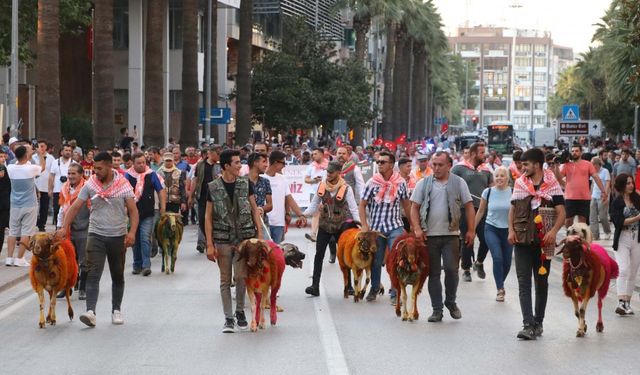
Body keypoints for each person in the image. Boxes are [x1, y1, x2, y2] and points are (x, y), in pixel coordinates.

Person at [57, 151, 139, 327]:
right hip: (95, 234)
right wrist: (64, 227)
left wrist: (131, 233)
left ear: (110, 166)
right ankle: (90, 312)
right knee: (93, 272)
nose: (96, 172)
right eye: (94, 168)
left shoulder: (123, 184)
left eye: (100, 168)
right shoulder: (91, 184)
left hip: (117, 236)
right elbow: (75, 207)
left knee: (117, 275)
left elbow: (133, 210)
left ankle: (116, 310)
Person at [204, 149, 264, 333]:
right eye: (237, 163)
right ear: (226, 166)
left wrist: (259, 236)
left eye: (240, 162)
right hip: (222, 239)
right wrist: (209, 244)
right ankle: (228, 318)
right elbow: (207, 216)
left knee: (240, 276)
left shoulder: (246, 184)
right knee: (224, 279)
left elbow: (255, 210)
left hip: (244, 239)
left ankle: (240, 311)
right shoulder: (213, 187)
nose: (240, 166)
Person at [410, 151, 474, 322]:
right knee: (434, 273)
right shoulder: (423, 184)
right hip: (429, 237)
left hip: (451, 235)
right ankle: (437, 310)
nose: (436, 168)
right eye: (434, 164)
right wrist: (417, 228)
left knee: (452, 270)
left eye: (440, 165)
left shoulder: (459, 183)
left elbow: (469, 206)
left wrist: (471, 230)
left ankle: (451, 301)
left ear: (449, 166)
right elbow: (414, 207)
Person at [509, 148, 565, 340]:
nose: (522, 168)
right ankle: (528, 324)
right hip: (523, 239)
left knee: (541, 283)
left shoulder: (552, 184)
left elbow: (562, 212)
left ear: (537, 165)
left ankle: (538, 322)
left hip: (543, 241)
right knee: (523, 283)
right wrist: (510, 230)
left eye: (526, 164)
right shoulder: (519, 183)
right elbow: (513, 209)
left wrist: (553, 231)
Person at [360, 151, 411, 304]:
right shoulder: (372, 182)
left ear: (391, 165)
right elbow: (362, 205)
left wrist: (415, 227)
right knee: (376, 260)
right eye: (378, 162)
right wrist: (364, 225)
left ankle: (395, 291)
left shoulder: (400, 183)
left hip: (395, 227)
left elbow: (406, 206)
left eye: (383, 162)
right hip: (376, 230)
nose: (379, 164)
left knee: (395, 260)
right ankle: (375, 287)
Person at [303, 160, 359, 296]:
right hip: (324, 225)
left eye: (331, 172)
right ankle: (315, 286)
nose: (328, 174)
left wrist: (358, 224)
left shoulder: (346, 188)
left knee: (345, 256)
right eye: (327, 171)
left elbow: (353, 207)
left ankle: (349, 285)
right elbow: (314, 205)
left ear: (339, 173)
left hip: (341, 226)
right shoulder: (322, 186)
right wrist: (302, 215)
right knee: (319, 255)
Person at [451, 142, 493, 282]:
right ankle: (466, 269)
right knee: (467, 239)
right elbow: (450, 186)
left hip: (483, 209)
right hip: (465, 209)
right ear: (474, 153)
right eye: (482, 152)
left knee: (486, 239)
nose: (484, 155)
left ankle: (479, 262)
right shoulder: (459, 169)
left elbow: (492, 188)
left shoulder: (487, 170)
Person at [474, 166, 512, 302]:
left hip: (508, 230)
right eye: (497, 176)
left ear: (507, 178)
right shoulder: (488, 192)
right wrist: (472, 229)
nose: (499, 178)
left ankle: (500, 281)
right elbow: (480, 211)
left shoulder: (513, 192)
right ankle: (500, 289)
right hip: (491, 228)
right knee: (497, 258)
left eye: (502, 175)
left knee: (507, 262)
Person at [125, 152, 166, 276]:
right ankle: (137, 264)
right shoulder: (127, 176)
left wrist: (163, 208)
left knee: (145, 238)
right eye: (139, 163)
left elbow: (161, 190)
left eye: (143, 162)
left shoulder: (152, 175)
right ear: (133, 163)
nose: (142, 165)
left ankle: (146, 265)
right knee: (134, 239)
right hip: (132, 214)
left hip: (148, 213)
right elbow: (122, 194)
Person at [5, 145, 46, 266]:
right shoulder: (31, 168)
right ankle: (20, 259)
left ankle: (9, 258)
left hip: (15, 204)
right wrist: (40, 154)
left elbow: (20, 163)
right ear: (26, 155)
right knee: (26, 232)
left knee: (13, 232)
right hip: (29, 204)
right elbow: (42, 168)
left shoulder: (11, 167)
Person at [56, 163, 90, 300]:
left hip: (84, 228)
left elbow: (93, 209)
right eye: (69, 173)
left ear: (81, 174)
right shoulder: (64, 189)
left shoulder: (88, 188)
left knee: (84, 260)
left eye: (73, 173)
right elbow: (61, 210)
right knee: (68, 260)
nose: (70, 176)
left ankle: (83, 288)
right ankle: (67, 287)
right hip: (68, 229)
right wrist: (60, 227)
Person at [609, 173, 640, 315]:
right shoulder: (617, 202)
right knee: (624, 269)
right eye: (628, 183)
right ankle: (620, 302)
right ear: (621, 185)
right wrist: (637, 218)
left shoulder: (637, 199)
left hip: (637, 239)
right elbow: (618, 222)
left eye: (631, 183)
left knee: (633, 272)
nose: (631, 185)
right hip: (622, 238)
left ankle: (627, 302)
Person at [555, 145, 606, 227]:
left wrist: (603, 191)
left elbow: (596, 177)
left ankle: (580, 239)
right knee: (568, 221)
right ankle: (569, 238)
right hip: (570, 198)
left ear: (581, 152)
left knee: (582, 222)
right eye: (573, 151)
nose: (574, 153)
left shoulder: (588, 164)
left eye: (576, 151)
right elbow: (558, 178)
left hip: (584, 197)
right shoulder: (566, 165)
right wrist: (557, 166)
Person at [264, 151, 307, 244]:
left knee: (276, 253)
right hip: (264, 223)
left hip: (278, 223)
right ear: (275, 163)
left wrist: (300, 214)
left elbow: (289, 199)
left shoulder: (282, 178)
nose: (284, 166)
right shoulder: (261, 178)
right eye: (283, 163)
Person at [190, 145, 221, 253]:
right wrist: (191, 195)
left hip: (216, 198)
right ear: (211, 153)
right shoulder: (200, 165)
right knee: (202, 220)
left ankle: (213, 242)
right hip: (202, 197)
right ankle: (209, 240)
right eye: (217, 153)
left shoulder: (220, 166)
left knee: (215, 220)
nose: (219, 156)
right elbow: (195, 180)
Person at [304, 147, 327, 242]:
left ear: (322, 154)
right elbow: (306, 179)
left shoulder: (329, 165)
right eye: (312, 154)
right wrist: (314, 180)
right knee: (316, 213)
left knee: (325, 214)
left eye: (316, 153)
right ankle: (313, 233)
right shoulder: (311, 166)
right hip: (314, 193)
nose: (313, 156)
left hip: (327, 192)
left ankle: (325, 233)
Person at [49, 143, 74, 227]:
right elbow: (51, 176)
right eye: (66, 150)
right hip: (57, 190)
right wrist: (50, 189)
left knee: (69, 210)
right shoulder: (55, 162)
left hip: (70, 191)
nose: (68, 152)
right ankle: (58, 226)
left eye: (70, 151)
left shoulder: (74, 163)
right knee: (56, 209)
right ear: (62, 152)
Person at [246, 152, 273, 227]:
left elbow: (270, 205)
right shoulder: (241, 182)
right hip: (246, 226)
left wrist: (261, 209)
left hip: (263, 224)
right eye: (264, 162)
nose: (266, 165)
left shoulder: (265, 182)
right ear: (255, 163)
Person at [32, 140, 53, 231]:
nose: (41, 148)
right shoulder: (33, 157)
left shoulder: (51, 158)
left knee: (44, 207)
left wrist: (51, 187)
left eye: (43, 146)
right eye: (39, 146)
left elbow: (52, 173)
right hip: (35, 185)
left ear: (46, 147)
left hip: (45, 185)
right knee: (34, 206)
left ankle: (42, 225)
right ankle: (34, 222)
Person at [590, 157, 612, 240]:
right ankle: (595, 235)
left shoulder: (605, 171)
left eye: (592, 164)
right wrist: (590, 193)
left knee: (603, 216)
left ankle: (607, 231)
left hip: (602, 196)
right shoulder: (592, 172)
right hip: (594, 196)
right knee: (593, 217)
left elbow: (607, 183)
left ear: (596, 164)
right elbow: (592, 183)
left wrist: (605, 194)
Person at [0, 150, 10, 254]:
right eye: (0, 157)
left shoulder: (6, 169)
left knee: (1, 229)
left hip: (4, 204)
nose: (2, 158)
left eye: (3, 156)